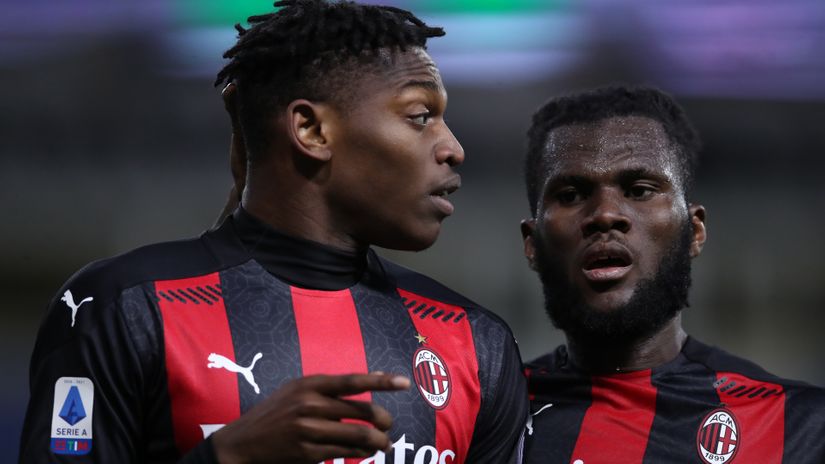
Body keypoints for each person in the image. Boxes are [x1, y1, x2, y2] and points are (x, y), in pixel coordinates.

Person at [19, 1, 528, 463]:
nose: (453, 148)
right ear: (311, 130)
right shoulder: (123, 308)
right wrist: (227, 456)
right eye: (420, 116)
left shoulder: (477, 345)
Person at [519, 85, 825, 463]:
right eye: (570, 195)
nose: (605, 214)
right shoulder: (490, 414)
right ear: (532, 244)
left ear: (694, 231)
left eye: (639, 190)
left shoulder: (800, 428)